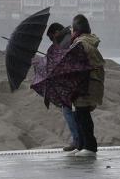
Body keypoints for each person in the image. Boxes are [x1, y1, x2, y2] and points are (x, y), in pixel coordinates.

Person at [70, 14, 105, 157]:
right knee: (79, 114)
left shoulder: (80, 43)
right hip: (87, 83)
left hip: (86, 84)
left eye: (72, 28)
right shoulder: (84, 41)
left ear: (76, 29)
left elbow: (76, 65)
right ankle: (82, 145)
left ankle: (89, 147)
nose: (71, 31)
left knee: (83, 115)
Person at [45, 23, 81, 152]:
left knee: (68, 110)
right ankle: (79, 140)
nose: (51, 40)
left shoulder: (66, 41)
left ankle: (77, 140)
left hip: (72, 82)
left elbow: (65, 61)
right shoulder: (68, 39)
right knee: (75, 111)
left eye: (51, 37)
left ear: (56, 32)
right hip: (74, 81)